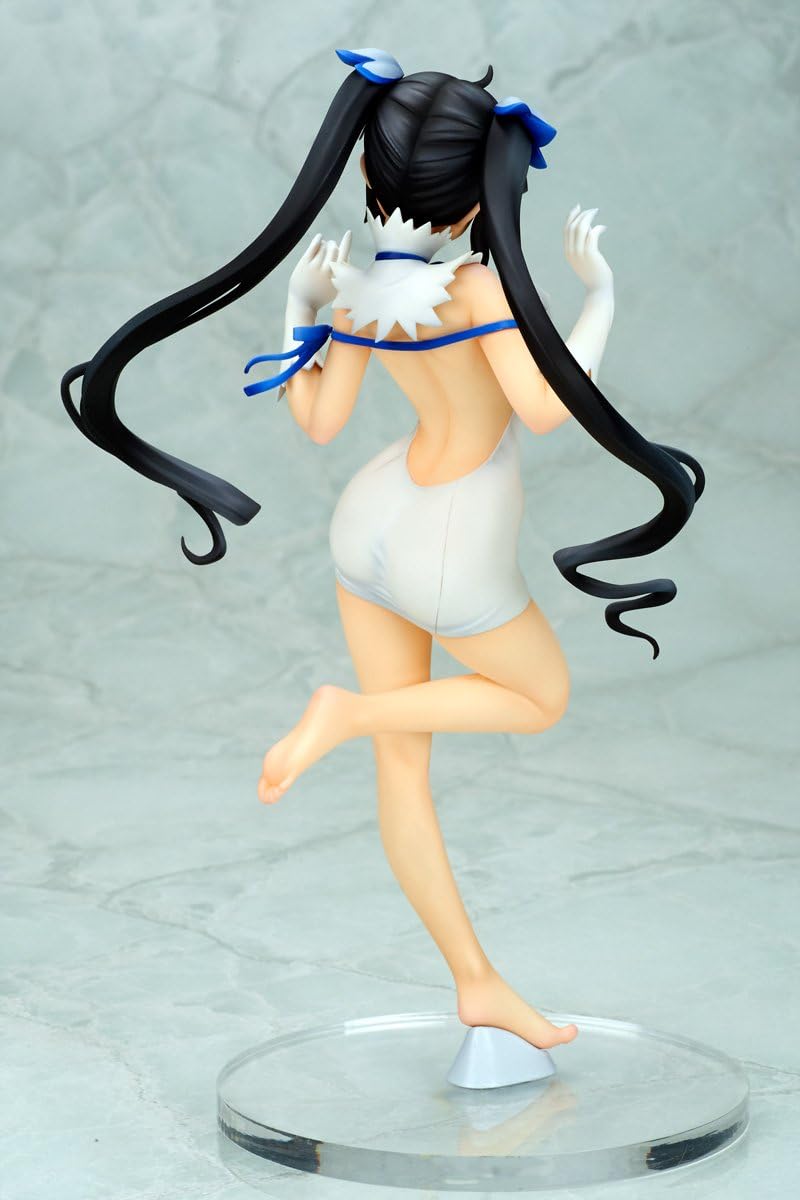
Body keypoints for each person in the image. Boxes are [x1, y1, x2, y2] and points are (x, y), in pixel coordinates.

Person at [60, 48, 704, 1051]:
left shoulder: (358, 289)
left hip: (371, 519)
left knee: (404, 772)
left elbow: (319, 421)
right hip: (452, 536)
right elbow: (545, 409)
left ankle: (476, 983)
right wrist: (600, 297)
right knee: (539, 698)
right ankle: (346, 713)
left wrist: (299, 306)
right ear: (476, 199)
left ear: (366, 171)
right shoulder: (479, 291)